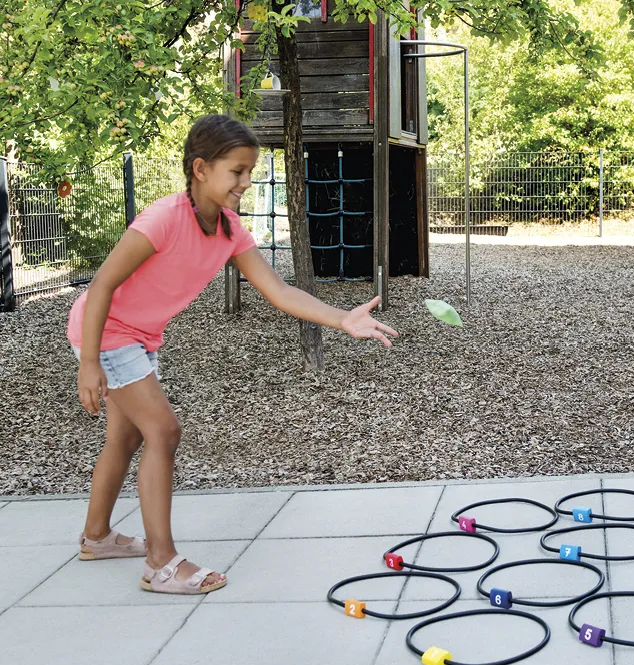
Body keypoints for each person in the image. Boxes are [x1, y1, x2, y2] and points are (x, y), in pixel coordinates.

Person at [68, 115, 397, 594]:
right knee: (163, 430)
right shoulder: (163, 220)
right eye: (237, 172)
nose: (246, 181)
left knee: (127, 437)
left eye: (249, 172)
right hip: (107, 332)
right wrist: (90, 362)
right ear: (200, 169)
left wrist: (341, 318)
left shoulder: (228, 229)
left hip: (137, 336)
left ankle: (96, 537)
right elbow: (102, 286)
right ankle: (161, 562)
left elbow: (279, 290)